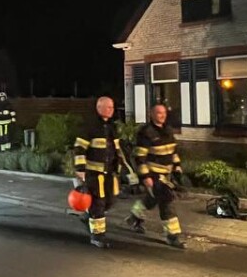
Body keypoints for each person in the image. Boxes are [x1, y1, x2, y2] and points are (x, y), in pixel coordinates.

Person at [125, 103, 187, 248]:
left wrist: (177, 167)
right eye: (159, 113)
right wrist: (146, 177)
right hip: (154, 174)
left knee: (151, 200)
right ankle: (172, 236)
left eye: (164, 113)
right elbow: (140, 157)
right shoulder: (146, 133)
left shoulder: (168, 131)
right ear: (151, 114)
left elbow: (174, 151)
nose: (162, 115)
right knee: (167, 202)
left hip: (167, 174)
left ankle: (134, 217)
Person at [73, 96, 130, 249]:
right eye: (108, 107)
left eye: (112, 107)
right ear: (99, 108)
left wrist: (125, 170)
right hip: (94, 174)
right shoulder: (90, 126)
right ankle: (97, 236)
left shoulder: (111, 127)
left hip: (110, 174)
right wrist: (80, 169)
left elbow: (117, 150)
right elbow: (79, 148)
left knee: (110, 201)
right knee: (98, 203)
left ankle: (88, 216)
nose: (111, 110)